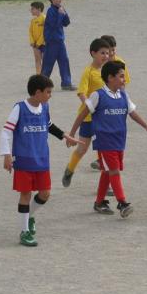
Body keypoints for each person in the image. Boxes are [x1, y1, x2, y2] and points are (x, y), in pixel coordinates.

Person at [68, 61, 147, 218]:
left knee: (108, 171)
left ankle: (99, 202)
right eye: (121, 76)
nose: (124, 79)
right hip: (104, 140)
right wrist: (72, 133)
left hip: (119, 140)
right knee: (114, 170)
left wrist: (146, 126)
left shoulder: (123, 95)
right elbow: (82, 114)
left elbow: (132, 113)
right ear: (110, 78)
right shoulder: (98, 95)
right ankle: (122, 202)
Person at [0, 74, 78, 246]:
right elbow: (6, 131)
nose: (50, 95)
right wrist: (6, 154)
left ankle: (30, 216)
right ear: (37, 92)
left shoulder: (44, 107)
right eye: (48, 92)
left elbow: (48, 125)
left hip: (42, 158)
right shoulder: (19, 108)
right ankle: (24, 231)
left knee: (45, 193)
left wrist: (65, 136)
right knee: (26, 194)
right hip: (24, 159)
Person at [62, 38, 110, 187]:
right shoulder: (88, 72)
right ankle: (70, 170)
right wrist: (90, 105)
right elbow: (81, 92)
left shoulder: (107, 72)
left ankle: (107, 185)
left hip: (103, 119)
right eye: (102, 53)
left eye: (107, 53)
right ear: (93, 53)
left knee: (104, 150)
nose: (106, 56)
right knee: (82, 149)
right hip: (88, 117)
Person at [89, 34, 131, 173]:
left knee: (109, 170)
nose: (111, 53)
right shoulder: (96, 68)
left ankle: (102, 161)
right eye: (107, 51)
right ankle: (100, 159)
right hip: (98, 108)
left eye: (113, 50)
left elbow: (124, 84)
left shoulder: (120, 64)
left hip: (114, 106)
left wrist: (120, 98)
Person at [41, 0, 76, 91]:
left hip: (60, 42)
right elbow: (54, 25)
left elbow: (66, 23)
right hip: (52, 42)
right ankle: (41, 84)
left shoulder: (60, 8)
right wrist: (60, 14)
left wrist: (64, 14)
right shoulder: (50, 11)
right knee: (48, 64)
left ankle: (66, 83)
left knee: (64, 62)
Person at [28, 1, 46, 75]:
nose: (31, 10)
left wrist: (39, 43)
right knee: (37, 60)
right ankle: (38, 75)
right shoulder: (33, 20)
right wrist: (32, 42)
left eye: (33, 9)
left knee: (45, 61)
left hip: (43, 44)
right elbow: (30, 32)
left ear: (39, 9)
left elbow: (44, 32)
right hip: (35, 45)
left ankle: (44, 75)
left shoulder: (44, 18)